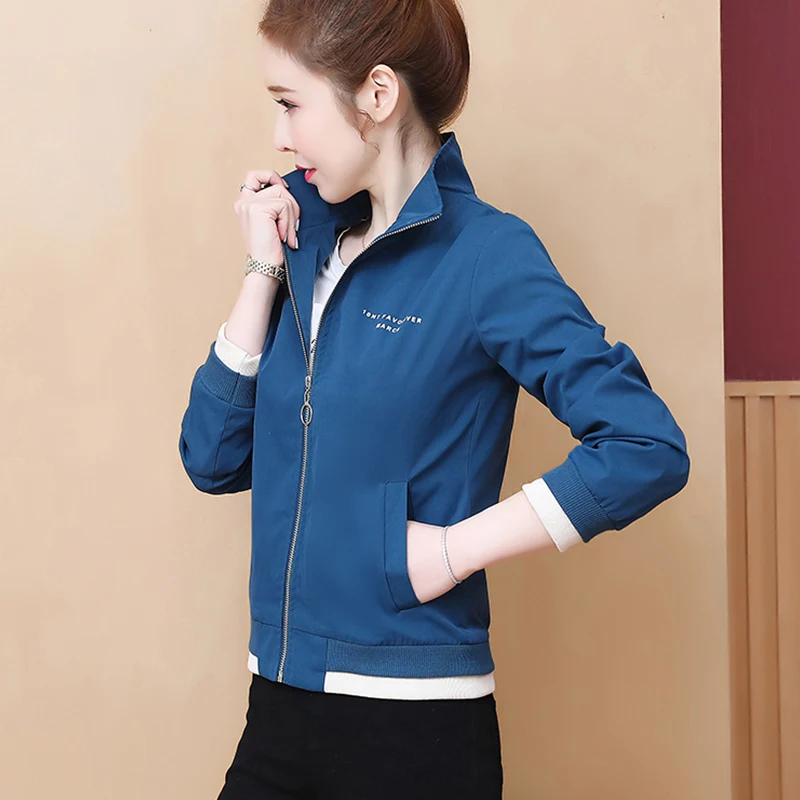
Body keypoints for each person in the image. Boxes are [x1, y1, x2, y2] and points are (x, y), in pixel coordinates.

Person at [178, 0, 691, 797]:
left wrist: (451, 551)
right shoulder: (302, 241)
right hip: (277, 705)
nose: (279, 136)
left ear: (377, 94)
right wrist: (261, 274)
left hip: (413, 730)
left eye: (290, 104)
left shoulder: (487, 256)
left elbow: (645, 447)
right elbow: (211, 459)